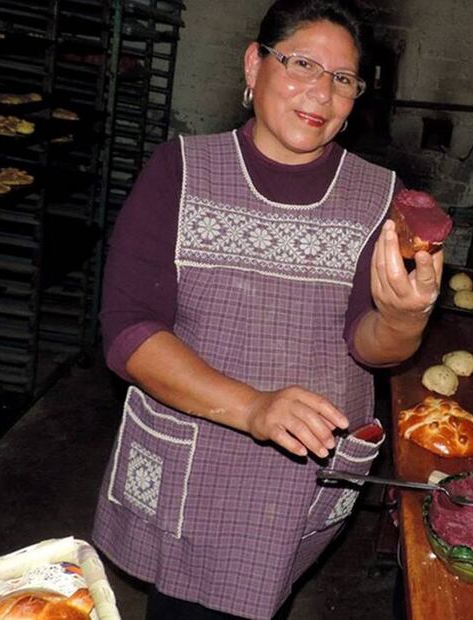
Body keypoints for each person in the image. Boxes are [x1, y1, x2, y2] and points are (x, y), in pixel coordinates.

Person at [91, 1, 443, 618]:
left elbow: (371, 346)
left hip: (304, 469)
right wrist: (253, 407)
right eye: (302, 63)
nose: (321, 93)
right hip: (196, 458)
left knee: (267, 599)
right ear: (255, 65)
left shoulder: (378, 195)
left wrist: (404, 318)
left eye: (342, 79)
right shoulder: (181, 170)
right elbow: (128, 332)